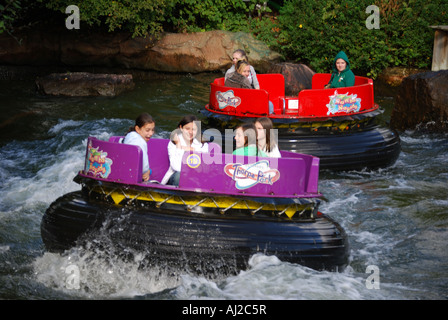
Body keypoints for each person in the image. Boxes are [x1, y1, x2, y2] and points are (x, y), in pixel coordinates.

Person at [161, 115, 209, 186]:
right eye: (187, 129)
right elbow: (176, 167)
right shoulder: (174, 142)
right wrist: (179, 146)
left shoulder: (203, 145)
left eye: (193, 129)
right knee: (180, 175)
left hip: (195, 178)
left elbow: (203, 168)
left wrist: (191, 150)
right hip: (176, 178)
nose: (190, 132)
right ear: (181, 128)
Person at [122, 112, 155, 182]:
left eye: (152, 130)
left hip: (124, 173)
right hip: (134, 178)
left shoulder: (129, 136)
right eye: (147, 130)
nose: (151, 133)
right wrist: (148, 171)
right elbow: (144, 170)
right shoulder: (141, 142)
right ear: (138, 129)